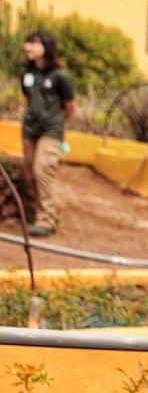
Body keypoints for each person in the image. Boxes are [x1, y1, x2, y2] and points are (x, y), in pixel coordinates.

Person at [19, 31, 74, 238]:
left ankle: (47, 220)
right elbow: (29, 97)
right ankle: (37, 214)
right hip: (30, 129)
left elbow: (69, 106)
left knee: (42, 169)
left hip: (51, 130)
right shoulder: (27, 73)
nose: (28, 47)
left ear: (46, 47)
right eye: (28, 43)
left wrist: (56, 122)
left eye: (33, 43)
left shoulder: (60, 76)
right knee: (29, 173)